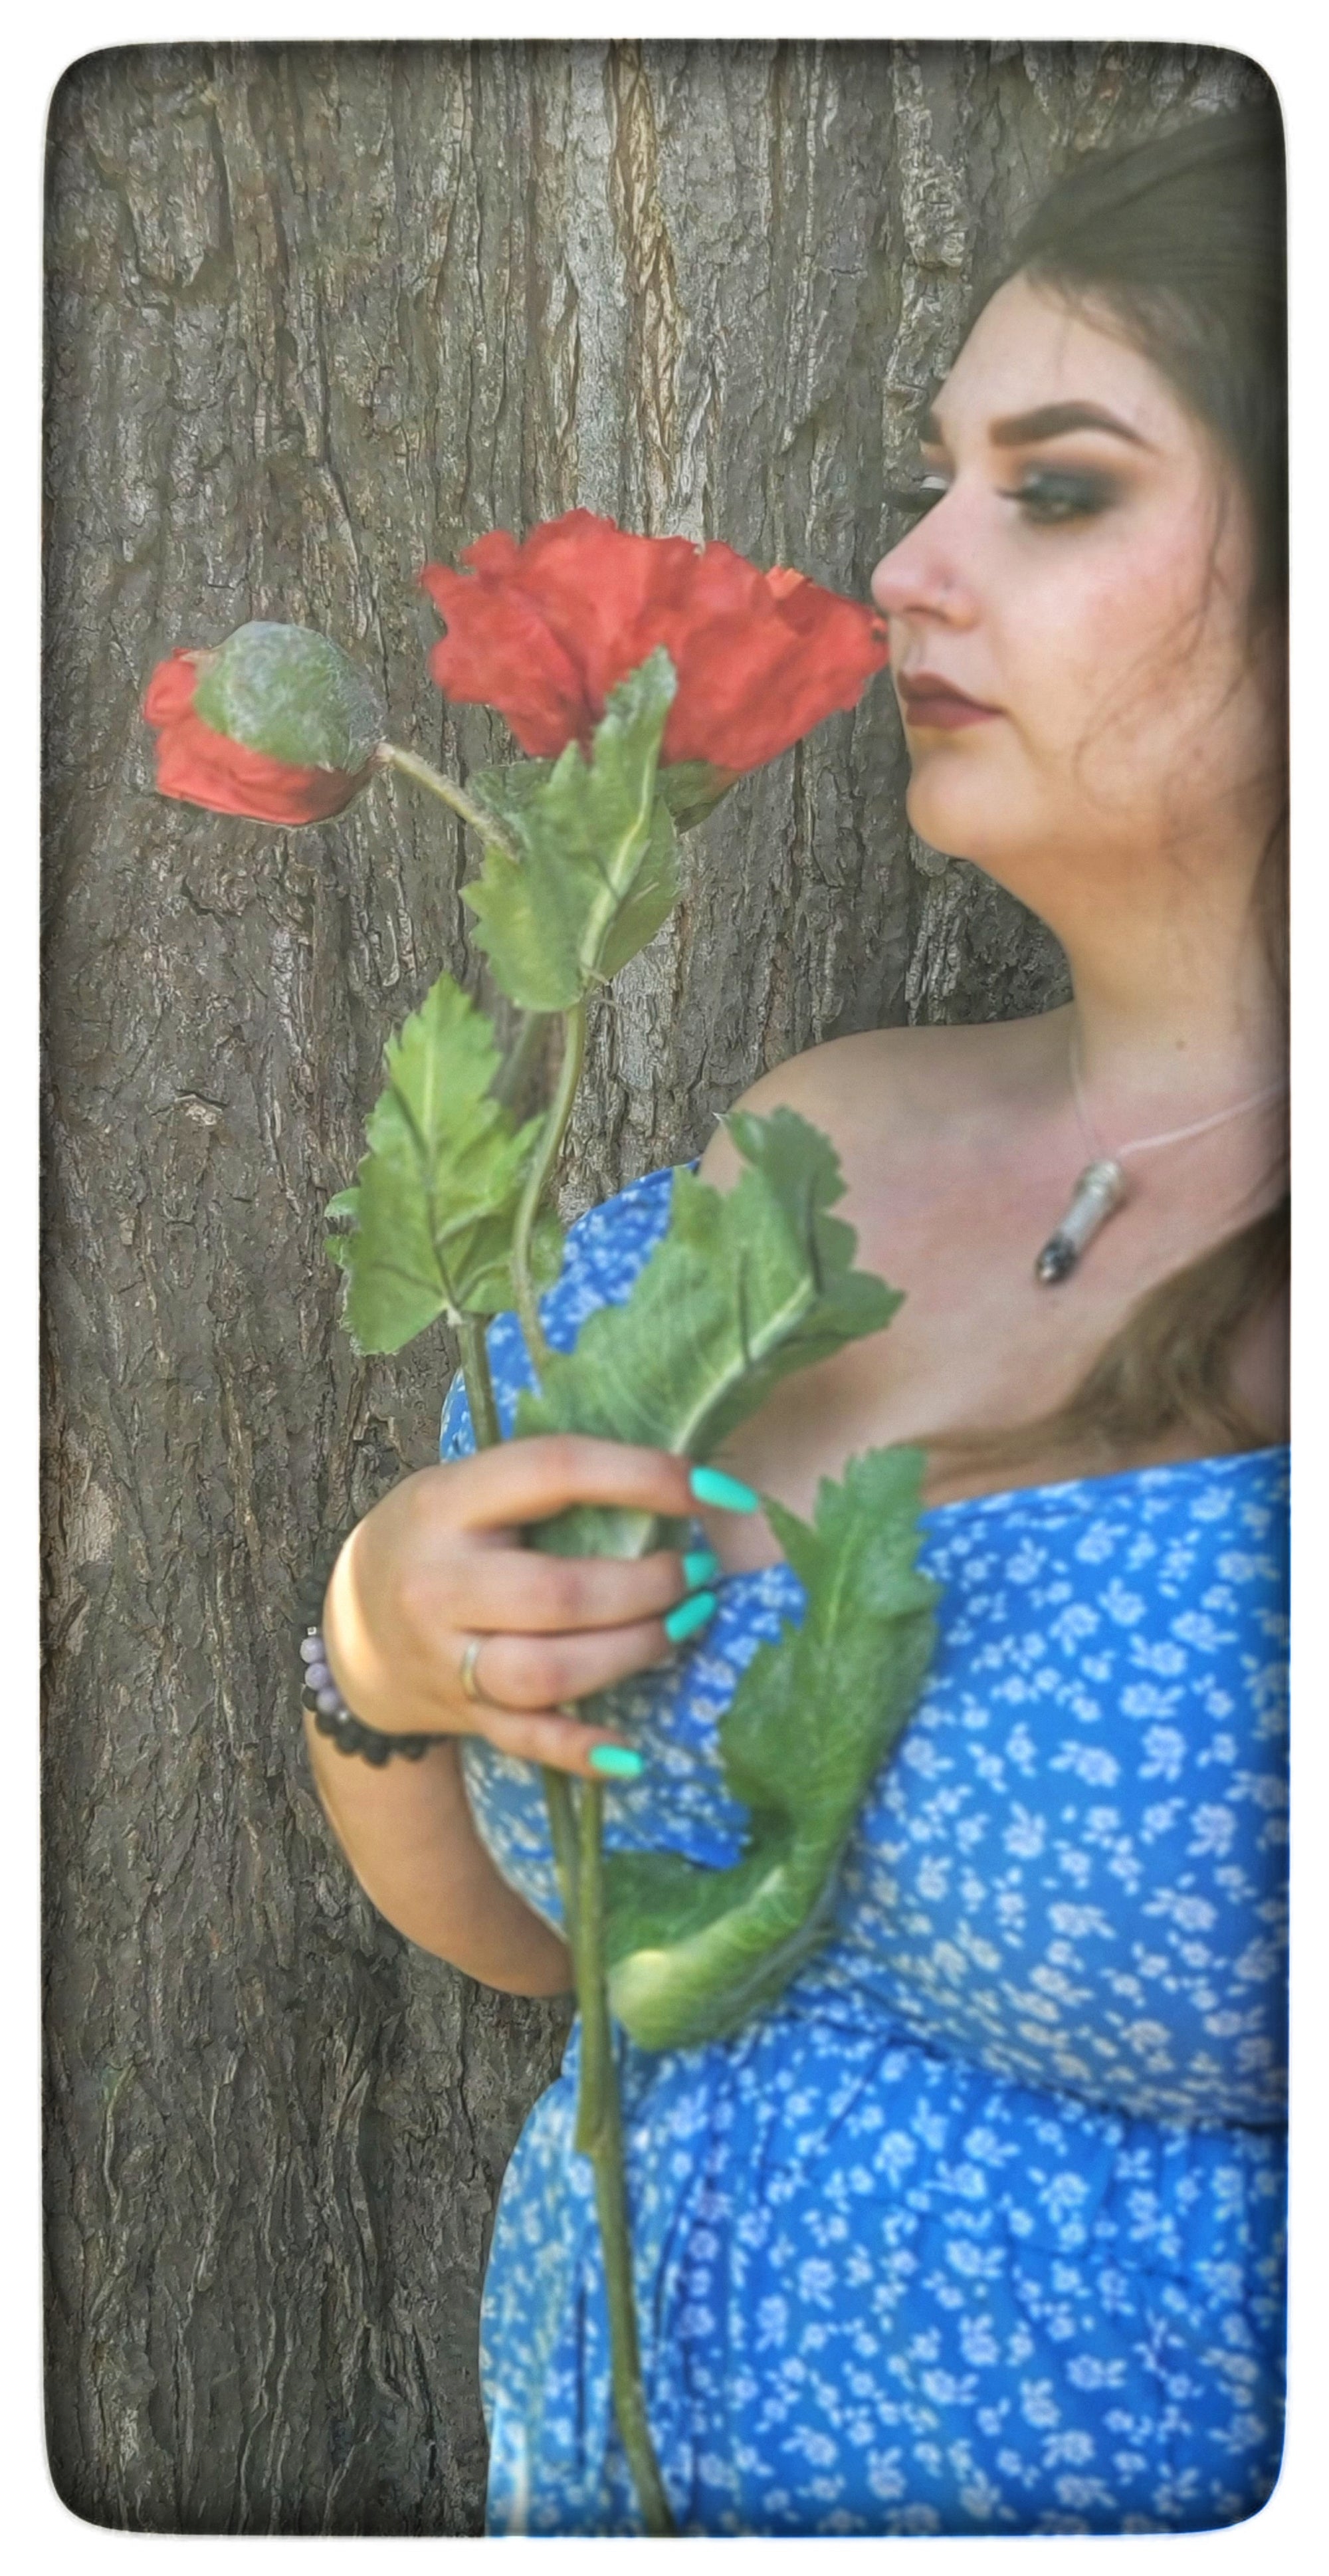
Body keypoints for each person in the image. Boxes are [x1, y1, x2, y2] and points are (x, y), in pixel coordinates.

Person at [306, 104, 1289, 2536]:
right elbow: (567, 1949)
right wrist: (380, 1662)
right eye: (934, 476)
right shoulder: (809, 1150)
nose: (908, 566)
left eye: (1054, 492)